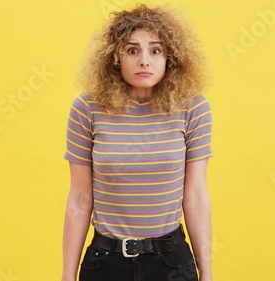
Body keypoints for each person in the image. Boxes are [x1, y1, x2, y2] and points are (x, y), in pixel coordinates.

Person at [62, 3, 213, 281]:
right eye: (133, 50)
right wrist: (67, 276)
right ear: (115, 58)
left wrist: (207, 274)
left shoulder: (193, 109)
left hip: (171, 262)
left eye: (155, 50)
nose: (144, 60)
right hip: (106, 262)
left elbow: (195, 197)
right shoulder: (87, 109)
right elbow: (80, 199)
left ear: (171, 57)